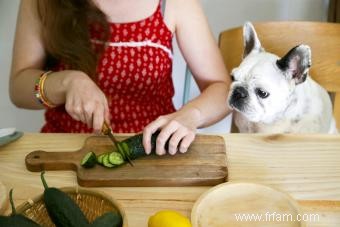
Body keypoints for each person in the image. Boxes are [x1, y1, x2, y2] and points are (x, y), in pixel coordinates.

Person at [9, 0, 231, 156]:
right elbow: (19, 87)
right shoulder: (42, 2)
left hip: (152, 151)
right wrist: (67, 83)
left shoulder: (174, 3)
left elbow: (221, 89)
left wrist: (191, 115)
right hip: (65, 149)